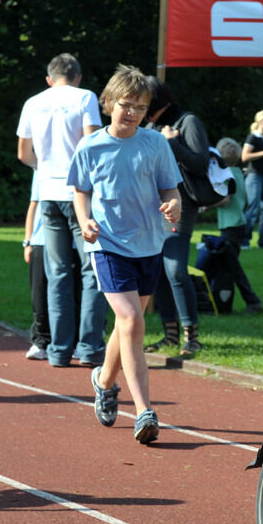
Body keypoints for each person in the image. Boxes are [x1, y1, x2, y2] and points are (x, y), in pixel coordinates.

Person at [67, 64, 182, 443]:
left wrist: (173, 205)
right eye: (126, 104)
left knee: (126, 324)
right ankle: (145, 410)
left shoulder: (155, 144)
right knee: (132, 320)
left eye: (140, 107)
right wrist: (84, 221)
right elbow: (80, 191)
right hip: (108, 244)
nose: (132, 112)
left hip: (148, 243)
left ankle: (103, 381)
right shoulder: (90, 146)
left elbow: (170, 189)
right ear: (109, 104)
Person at [16, 53, 106, 368]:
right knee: (91, 270)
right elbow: (92, 143)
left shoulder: (33, 102)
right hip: (79, 192)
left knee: (57, 274)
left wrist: (45, 169)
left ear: (49, 78)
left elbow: (23, 153)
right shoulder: (85, 98)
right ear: (78, 77)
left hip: (48, 191)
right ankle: (89, 347)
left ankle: (58, 349)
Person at [142, 77, 211, 357]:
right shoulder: (149, 126)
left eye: (144, 101)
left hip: (180, 203)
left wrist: (172, 144)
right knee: (157, 269)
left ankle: (190, 336)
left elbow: (201, 163)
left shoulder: (187, 122)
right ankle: (170, 333)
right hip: (151, 205)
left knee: (175, 269)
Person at [214, 137, 263, 313]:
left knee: (233, 267)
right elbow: (247, 201)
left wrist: (207, 205)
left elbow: (225, 198)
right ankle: (224, 302)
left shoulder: (226, 176)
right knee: (229, 265)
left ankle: (252, 301)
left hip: (230, 225)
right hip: (238, 222)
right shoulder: (239, 174)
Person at [23, 171, 49, 360]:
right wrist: (28, 240)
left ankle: (72, 341)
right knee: (39, 293)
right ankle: (40, 340)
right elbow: (34, 204)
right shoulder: (41, 167)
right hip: (40, 240)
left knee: (73, 294)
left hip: (72, 241)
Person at [242, 109, 263, 249]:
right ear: (260, 121)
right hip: (254, 176)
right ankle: (244, 241)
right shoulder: (253, 137)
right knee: (253, 209)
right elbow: (244, 157)